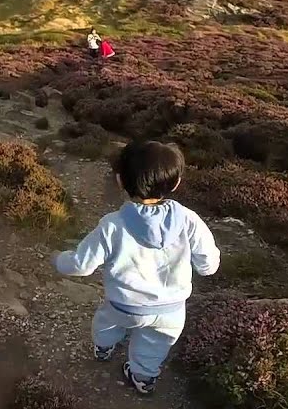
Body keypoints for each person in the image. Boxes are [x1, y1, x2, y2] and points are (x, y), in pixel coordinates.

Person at [52, 141, 220, 396]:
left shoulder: (113, 225)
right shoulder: (189, 220)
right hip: (171, 310)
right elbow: (208, 265)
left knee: (106, 323)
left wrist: (58, 259)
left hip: (124, 305)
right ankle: (142, 376)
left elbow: (81, 265)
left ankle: (103, 347)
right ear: (175, 183)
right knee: (155, 345)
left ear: (119, 181)